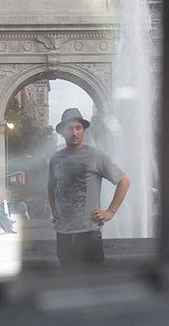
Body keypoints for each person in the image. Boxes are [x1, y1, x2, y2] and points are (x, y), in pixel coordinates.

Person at [48, 108, 130, 267]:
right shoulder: (55, 159)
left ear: (83, 131)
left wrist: (111, 211)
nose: (74, 132)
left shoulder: (96, 156)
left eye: (78, 128)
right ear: (62, 132)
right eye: (70, 128)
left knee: (93, 284)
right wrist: (53, 211)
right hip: (63, 235)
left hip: (89, 235)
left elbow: (124, 181)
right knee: (68, 282)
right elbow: (50, 188)